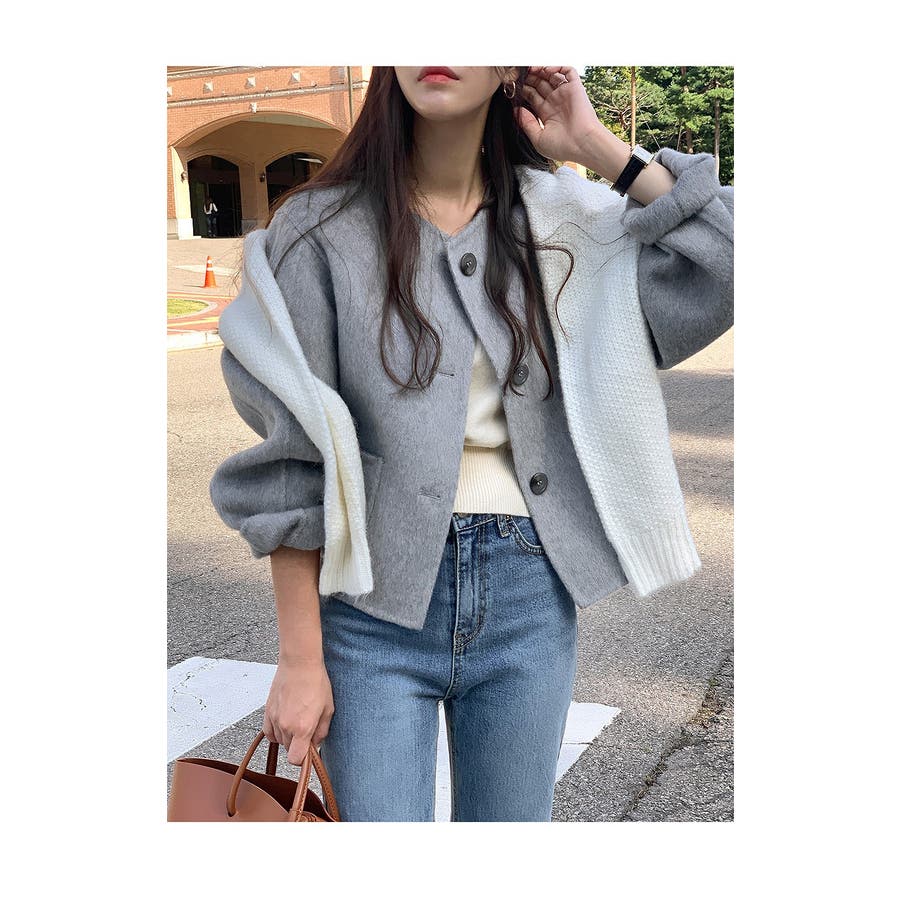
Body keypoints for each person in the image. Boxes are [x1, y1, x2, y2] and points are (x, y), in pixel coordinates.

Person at [209, 66, 734, 821]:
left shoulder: (569, 221)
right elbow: (294, 464)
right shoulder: (320, 233)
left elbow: (728, 264)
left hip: (529, 597)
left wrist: (598, 147)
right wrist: (299, 659)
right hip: (370, 610)